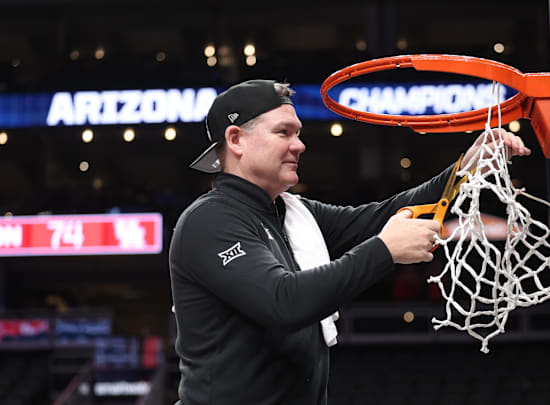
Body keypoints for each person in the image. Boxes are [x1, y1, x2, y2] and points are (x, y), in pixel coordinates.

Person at [168, 79, 530, 405]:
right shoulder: (209, 221)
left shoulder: (292, 212)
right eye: (284, 132)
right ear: (235, 140)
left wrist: (464, 170)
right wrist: (384, 251)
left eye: (298, 133)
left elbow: (383, 215)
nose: (300, 145)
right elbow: (283, 302)